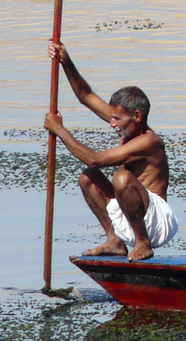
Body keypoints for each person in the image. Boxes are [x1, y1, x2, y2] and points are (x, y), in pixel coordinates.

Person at [44, 40, 176, 261]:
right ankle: (115, 241)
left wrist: (60, 130)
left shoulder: (149, 142)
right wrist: (66, 61)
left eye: (117, 119)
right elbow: (85, 95)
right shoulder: (126, 123)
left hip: (157, 221)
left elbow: (95, 159)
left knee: (121, 178)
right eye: (111, 116)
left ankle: (142, 243)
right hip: (129, 211)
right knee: (88, 178)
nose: (112, 123)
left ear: (137, 117)